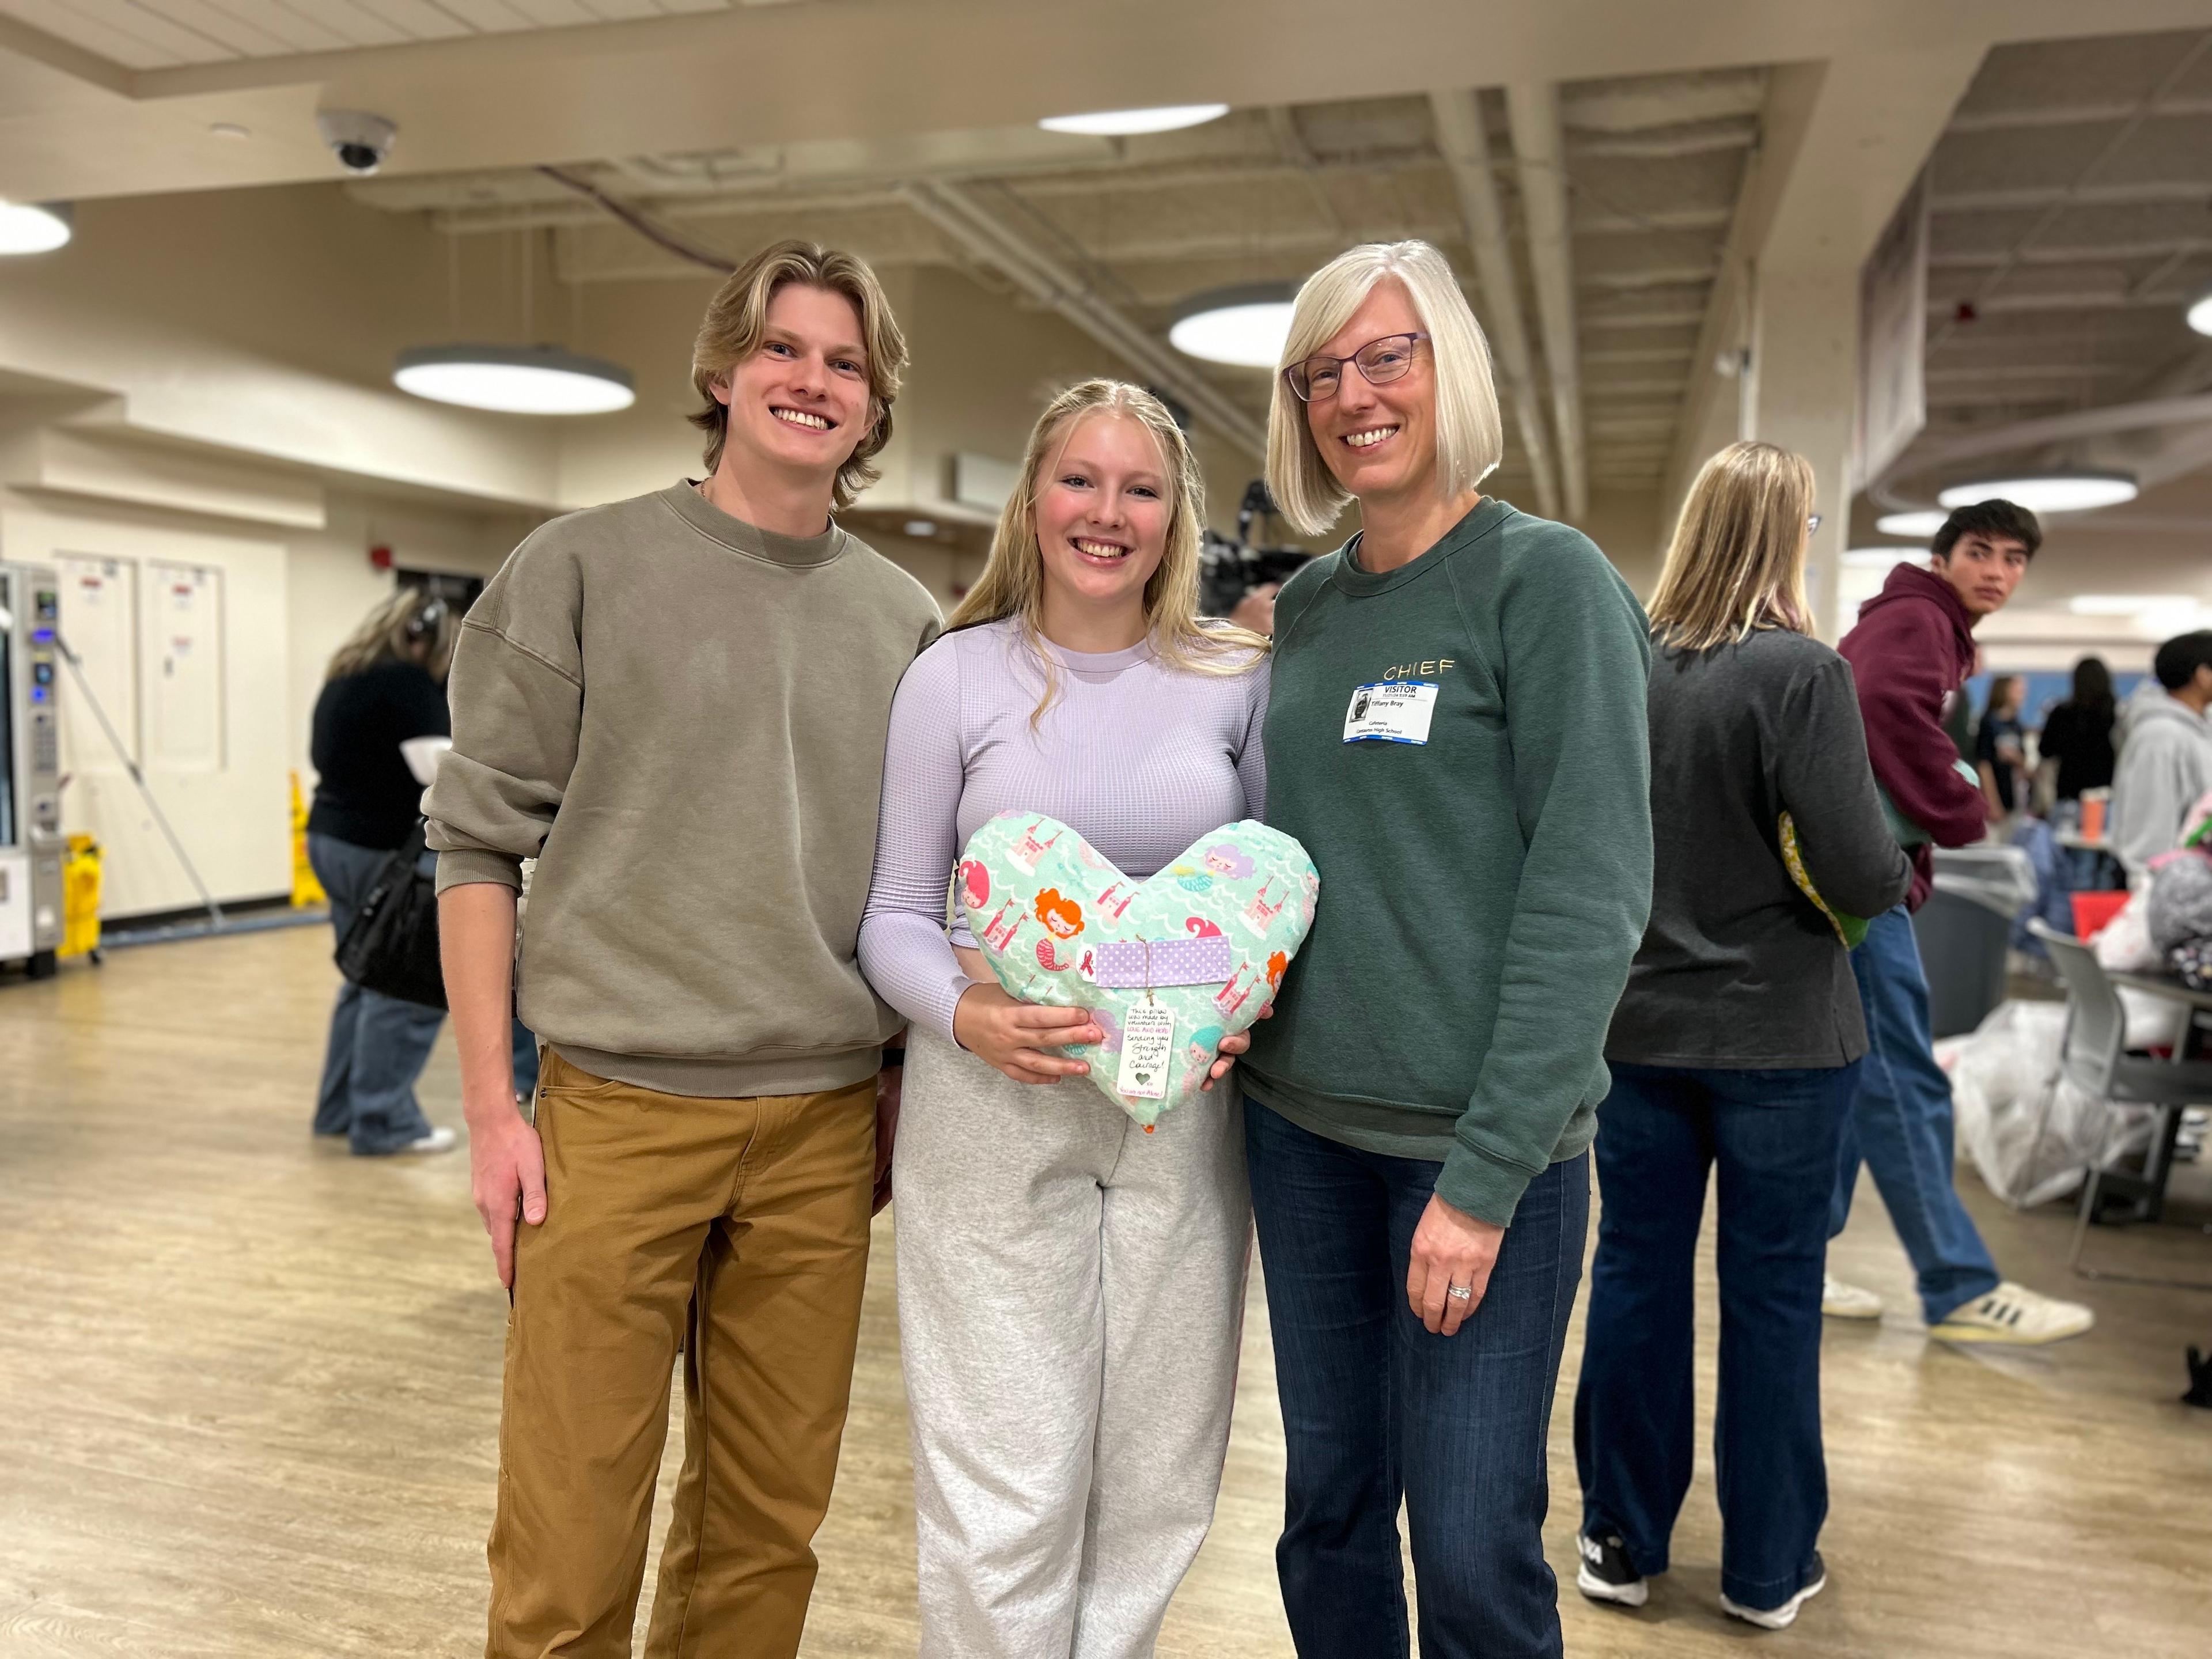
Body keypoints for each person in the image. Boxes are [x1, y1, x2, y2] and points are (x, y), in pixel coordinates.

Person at [423, 240, 940, 1659]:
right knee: (570, 1529)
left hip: (825, 1126)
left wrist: (898, 1082)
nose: (810, 379)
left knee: (765, 1533)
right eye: (783, 348)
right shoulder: (578, 567)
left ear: (872, 406)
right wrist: (488, 1113)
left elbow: (912, 884)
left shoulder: (905, 622)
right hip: (615, 1114)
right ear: (721, 371)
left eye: (845, 361)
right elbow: (473, 847)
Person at [1238, 240, 1652, 1659]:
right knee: (1327, 1513)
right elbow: (1286, 862)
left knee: (1471, 1543)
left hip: (1483, 1158)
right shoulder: (1304, 607)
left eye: (1385, 356)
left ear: (1448, 369)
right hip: (1298, 1136)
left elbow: (1589, 894)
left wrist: (1479, 1184)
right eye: (1321, 372)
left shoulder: (1543, 581)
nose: (1353, 394)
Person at [858, 379, 1269, 1657]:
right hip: (988, 1110)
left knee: (1158, 1473)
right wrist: (966, 1012)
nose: (1108, 512)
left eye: (1140, 487)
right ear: (1032, 500)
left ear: (1177, 515)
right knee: (1005, 1475)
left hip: (1182, 1121)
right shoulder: (955, 678)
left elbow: (1271, 886)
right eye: (1080, 481)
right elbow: (895, 913)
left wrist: (1251, 1002)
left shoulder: (1237, 678)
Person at [1571, 442, 1911, 1632]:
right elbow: (1863, 866)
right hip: (1784, 1038)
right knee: (1772, 1299)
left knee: (1634, 1281)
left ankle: (1619, 1539)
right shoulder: (1801, 673)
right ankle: (1766, 1567)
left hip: (1637, 1027)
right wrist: (1896, 864)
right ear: (1788, 533)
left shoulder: (1625, 668)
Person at [1825, 500, 2093, 1343]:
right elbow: (1877, 708)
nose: (1997, 573)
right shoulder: (1919, 619)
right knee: (1905, 1080)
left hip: (1851, 882)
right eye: (1981, 552)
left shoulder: (1920, 620)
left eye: (2015, 560)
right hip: (1861, 886)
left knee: (1857, 1079)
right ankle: (1957, 1284)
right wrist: (1961, 804)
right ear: (1943, 558)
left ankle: (1798, 1256)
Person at [306, 588, 463, 1158]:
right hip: (378, 850)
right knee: (407, 984)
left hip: (332, 841)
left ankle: (340, 1111)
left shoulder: (343, 677)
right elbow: (436, 769)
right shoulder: (404, 683)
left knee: (364, 973)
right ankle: (384, 1120)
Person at [2108, 631, 2212, 873]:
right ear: (2203, 676)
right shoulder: (2160, 737)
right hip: (2172, 894)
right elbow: (2149, 838)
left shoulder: (2198, 730)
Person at [2037, 655, 2117, 806]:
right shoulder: (2115, 713)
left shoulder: (2062, 713)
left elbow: (2045, 750)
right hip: (2106, 794)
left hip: (2069, 793)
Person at [1974, 672, 2028, 820]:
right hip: (1995, 796)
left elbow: (2024, 764)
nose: (2023, 695)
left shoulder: (2017, 725)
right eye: (2018, 690)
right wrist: (1993, 802)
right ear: (2005, 690)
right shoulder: (1989, 723)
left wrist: (2016, 758)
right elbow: (1984, 764)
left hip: (2014, 798)